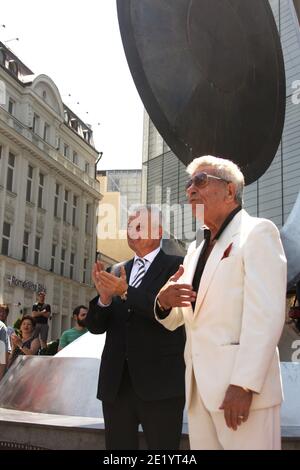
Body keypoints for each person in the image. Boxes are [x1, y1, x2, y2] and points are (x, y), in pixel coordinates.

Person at [155, 155, 287, 450]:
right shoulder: (195, 250)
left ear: (230, 190)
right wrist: (164, 302)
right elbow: (183, 317)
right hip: (200, 393)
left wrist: (244, 384)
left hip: (241, 394)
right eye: (188, 183)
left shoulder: (258, 233)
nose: (190, 189)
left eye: (200, 181)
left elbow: (266, 315)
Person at [86, 206, 185, 450]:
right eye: (130, 226)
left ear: (159, 231)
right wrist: (104, 300)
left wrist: (126, 292)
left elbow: (167, 312)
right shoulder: (116, 270)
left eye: (139, 226)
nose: (133, 231)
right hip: (116, 385)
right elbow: (95, 327)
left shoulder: (179, 267)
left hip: (161, 385)